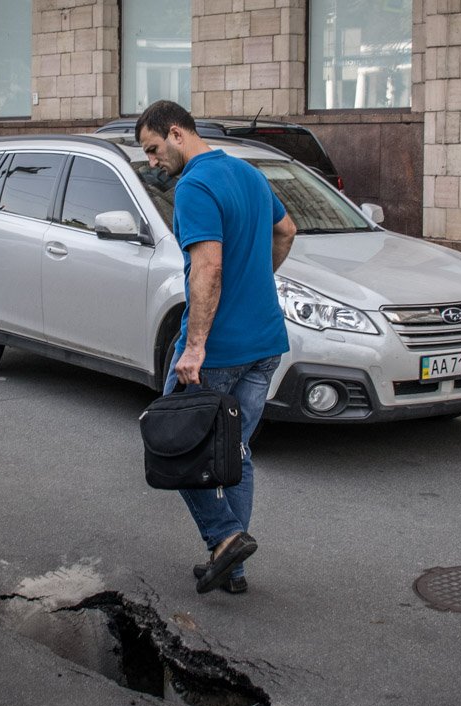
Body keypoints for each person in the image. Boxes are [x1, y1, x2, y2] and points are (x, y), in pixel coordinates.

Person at [135, 100, 296, 595]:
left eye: (154, 150)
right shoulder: (247, 174)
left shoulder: (196, 186)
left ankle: (225, 537)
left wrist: (196, 347)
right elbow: (286, 230)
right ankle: (233, 567)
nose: (152, 162)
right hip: (266, 341)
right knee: (235, 451)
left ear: (178, 133)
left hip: (219, 350)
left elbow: (207, 268)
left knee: (172, 444)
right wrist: (256, 282)